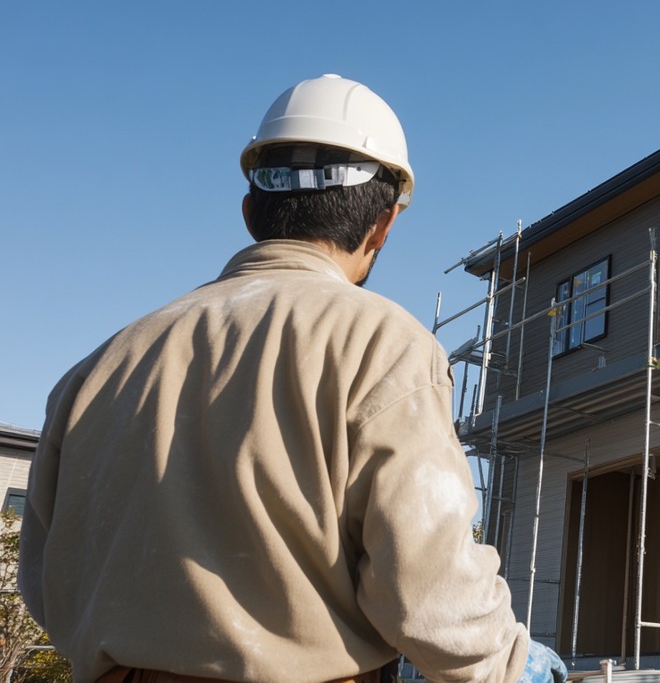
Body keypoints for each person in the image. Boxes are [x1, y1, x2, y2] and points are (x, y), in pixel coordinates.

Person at [19, 74, 566, 683]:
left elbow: (46, 587)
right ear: (382, 226)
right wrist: (517, 664)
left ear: (252, 210)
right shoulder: (382, 344)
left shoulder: (96, 369)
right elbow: (431, 596)